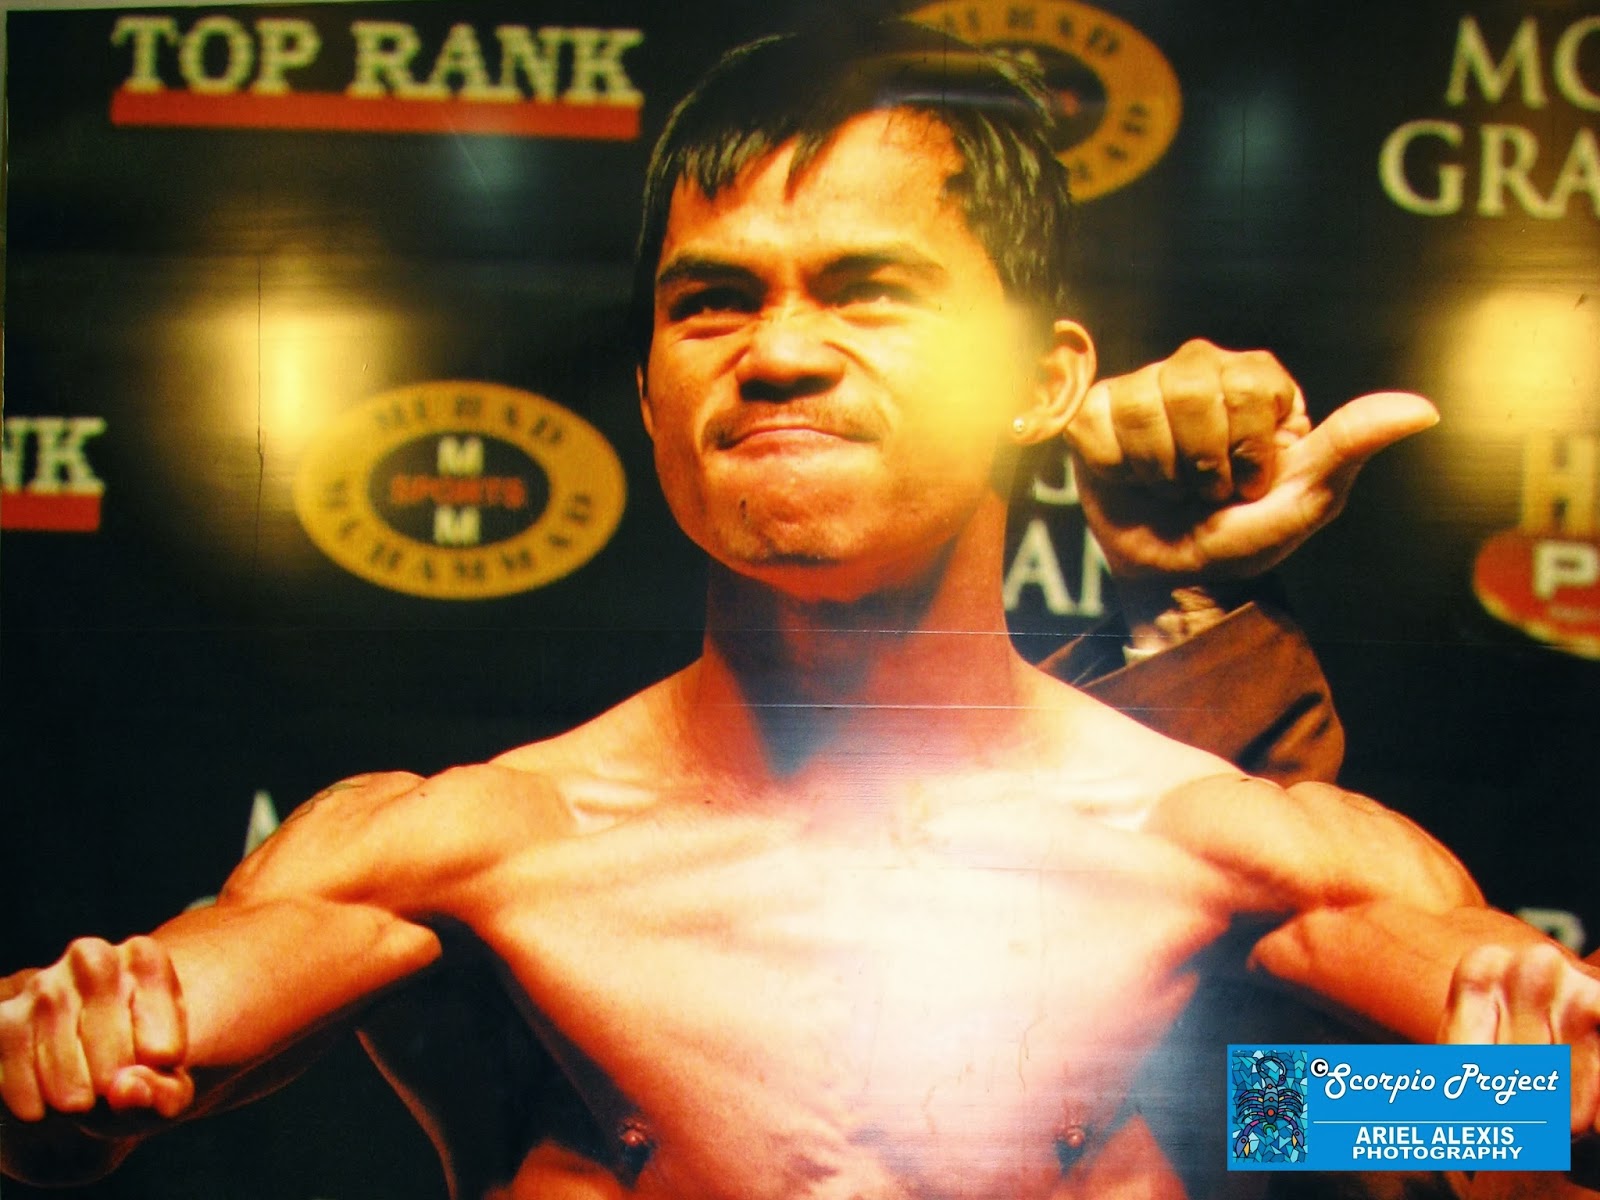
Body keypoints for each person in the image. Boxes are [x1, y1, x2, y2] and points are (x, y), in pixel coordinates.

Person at [4, 21, 1596, 1200]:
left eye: (869, 290)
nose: (774, 353)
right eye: (712, 301)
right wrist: (48, 1075)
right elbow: (118, 1054)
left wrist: (1520, 1123)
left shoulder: (1233, 858)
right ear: (648, 391)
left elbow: (1403, 1120)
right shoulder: (469, 855)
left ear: (1043, 383)